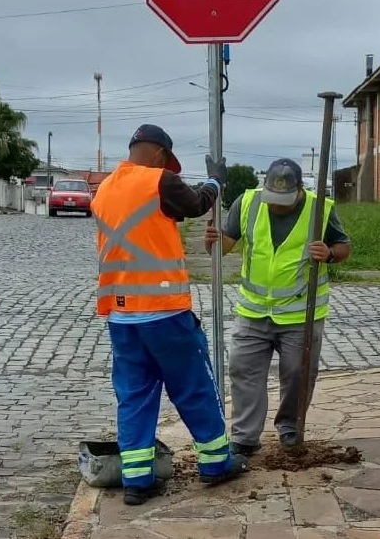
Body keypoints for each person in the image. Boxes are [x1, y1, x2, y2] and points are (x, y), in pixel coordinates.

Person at [92, 124, 249, 506]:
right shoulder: (159, 181)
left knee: (134, 396)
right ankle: (215, 462)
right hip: (163, 312)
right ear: (160, 154)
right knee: (193, 386)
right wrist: (215, 181)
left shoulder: (104, 190)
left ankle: (136, 480)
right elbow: (195, 203)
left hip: (121, 316)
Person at [204, 158, 351, 456]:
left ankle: (290, 427)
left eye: (284, 200)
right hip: (253, 311)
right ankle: (245, 437)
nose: (276, 205)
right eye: (272, 198)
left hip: (300, 313)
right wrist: (212, 240)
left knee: (298, 374)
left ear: (299, 190)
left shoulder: (319, 208)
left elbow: (343, 247)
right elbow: (223, 247)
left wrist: (329, 253)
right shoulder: (248, 203)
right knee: (243, 371)